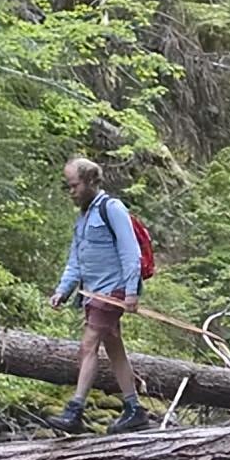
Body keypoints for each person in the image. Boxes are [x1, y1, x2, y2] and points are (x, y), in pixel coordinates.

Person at [44, 157, 150, 434]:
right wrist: (62, 290)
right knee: (115, 350)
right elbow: (75, 260)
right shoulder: (84, 218)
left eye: (74, 186)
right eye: (68, 187)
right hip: (93, 293)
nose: (71, 192)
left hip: (112, 291)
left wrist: (130, 292)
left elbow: (130, 251)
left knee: (87, 345)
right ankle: (135, 409)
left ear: (91, 181)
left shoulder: (112, 208)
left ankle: (75, 410)